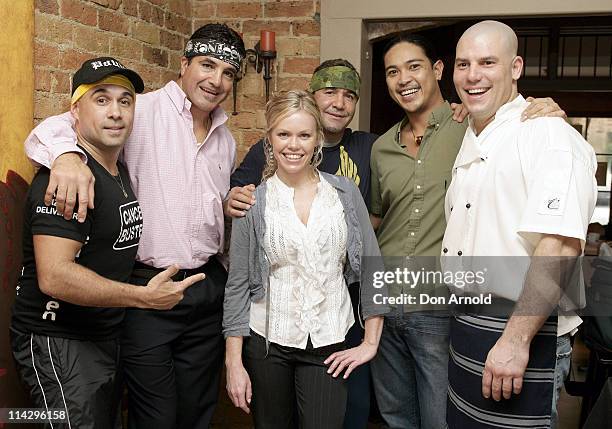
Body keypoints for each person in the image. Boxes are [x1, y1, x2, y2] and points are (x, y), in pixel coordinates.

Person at [23, 24, 245, 429]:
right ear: (184, 65)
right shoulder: (140, 109)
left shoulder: (225, 138)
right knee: (154, 417)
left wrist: (227, 205)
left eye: (228, 72)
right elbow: (57, 127)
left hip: (207, 288)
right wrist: (66, 157)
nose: (216, 80)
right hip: (148, 289)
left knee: (198, 413)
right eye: (207, 65)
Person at [368, 33, 567, 429]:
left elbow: (514, 119)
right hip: (385, 303)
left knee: (443, 417)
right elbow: (376, 221)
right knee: (395, 416)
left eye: (414, 67)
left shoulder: (471, 126)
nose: (403, 78)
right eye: (393, 71)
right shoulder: (381, 148)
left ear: (438, 70)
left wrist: (545, 109)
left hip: (441, 308)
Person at [442, 20, 596, 428]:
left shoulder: (547, 134)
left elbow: (560, 246)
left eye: (487, 62)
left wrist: (514, 341)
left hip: (522, 334)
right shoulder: (474, 130)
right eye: (463, 64)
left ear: (515, 67)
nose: (472, 75)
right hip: (468, 324)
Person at [223, 90, 388, 429]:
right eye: (283, 134)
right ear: (269, 139)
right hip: (267, 343)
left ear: (317, 140)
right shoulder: (252, 203)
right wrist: (233, 364)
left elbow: (372, 265)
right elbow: (237, 284)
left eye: (303, 135)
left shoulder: (344, 193)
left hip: (329, 341)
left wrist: (370, 342)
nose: (293, 145)